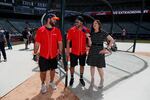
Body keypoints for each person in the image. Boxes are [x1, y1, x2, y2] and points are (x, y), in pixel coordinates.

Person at [34, 13, 62, 94]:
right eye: (54, 19)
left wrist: (59, 53)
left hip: (53, 55)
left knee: (53, 70)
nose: (55, 21)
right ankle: (43, 84)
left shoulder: (57, 30)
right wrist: (35, 54)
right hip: (43, 56)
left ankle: (51, 82)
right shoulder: (40, 30)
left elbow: (60, 42)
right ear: (49, 19)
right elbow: (37, 43)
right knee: (43, 72)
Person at [86, 20, 114, 88]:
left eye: (95, 23)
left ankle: (102, 80)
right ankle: (92, 79)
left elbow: (112, 40)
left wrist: (107, 48)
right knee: (92, 66)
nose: (94, 25)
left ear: (99, 25)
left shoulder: (103, 32)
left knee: (99, 67)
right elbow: (89, 44)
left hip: (100, 50)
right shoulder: (91, 33)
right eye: (93, 24)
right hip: (92, 49)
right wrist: (88, 38)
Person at [66, 16, 90, 87]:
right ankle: (72, 78)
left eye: (77, 22)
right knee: (72, 66)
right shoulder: (71, 30)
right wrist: (67, 52)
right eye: (75, 22)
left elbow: (89, 42)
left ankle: (81, 78)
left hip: (83, 52)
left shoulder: (86, 30)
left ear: (82, 22)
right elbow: (68, 42)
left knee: (82, 66)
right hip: (74, 52)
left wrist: (88, 38)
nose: (75, 23)